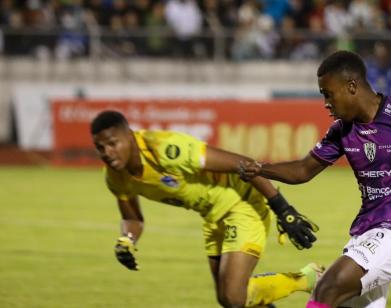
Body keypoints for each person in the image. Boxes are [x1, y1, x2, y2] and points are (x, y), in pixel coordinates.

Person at [239, 50, 391, 307]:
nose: (325, 103)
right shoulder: (342, 131)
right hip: (365, 234)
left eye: (328, 93)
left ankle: (306, 281)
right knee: (333, 296)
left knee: (327, 288)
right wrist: (261, 169)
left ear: (352, 86)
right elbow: (303, 170)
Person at [90, 110, 323, 308]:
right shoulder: (115, 177)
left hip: (242, 205)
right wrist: (127, 240)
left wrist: (283, 209)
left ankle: (307, 278)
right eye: (100, 147)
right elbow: (132, 218)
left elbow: (244, 164)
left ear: (129, 137)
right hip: (212, 217)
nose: (107, 153)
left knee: (233, 296)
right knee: (228, 299)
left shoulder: (166, 148)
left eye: (113, 144)